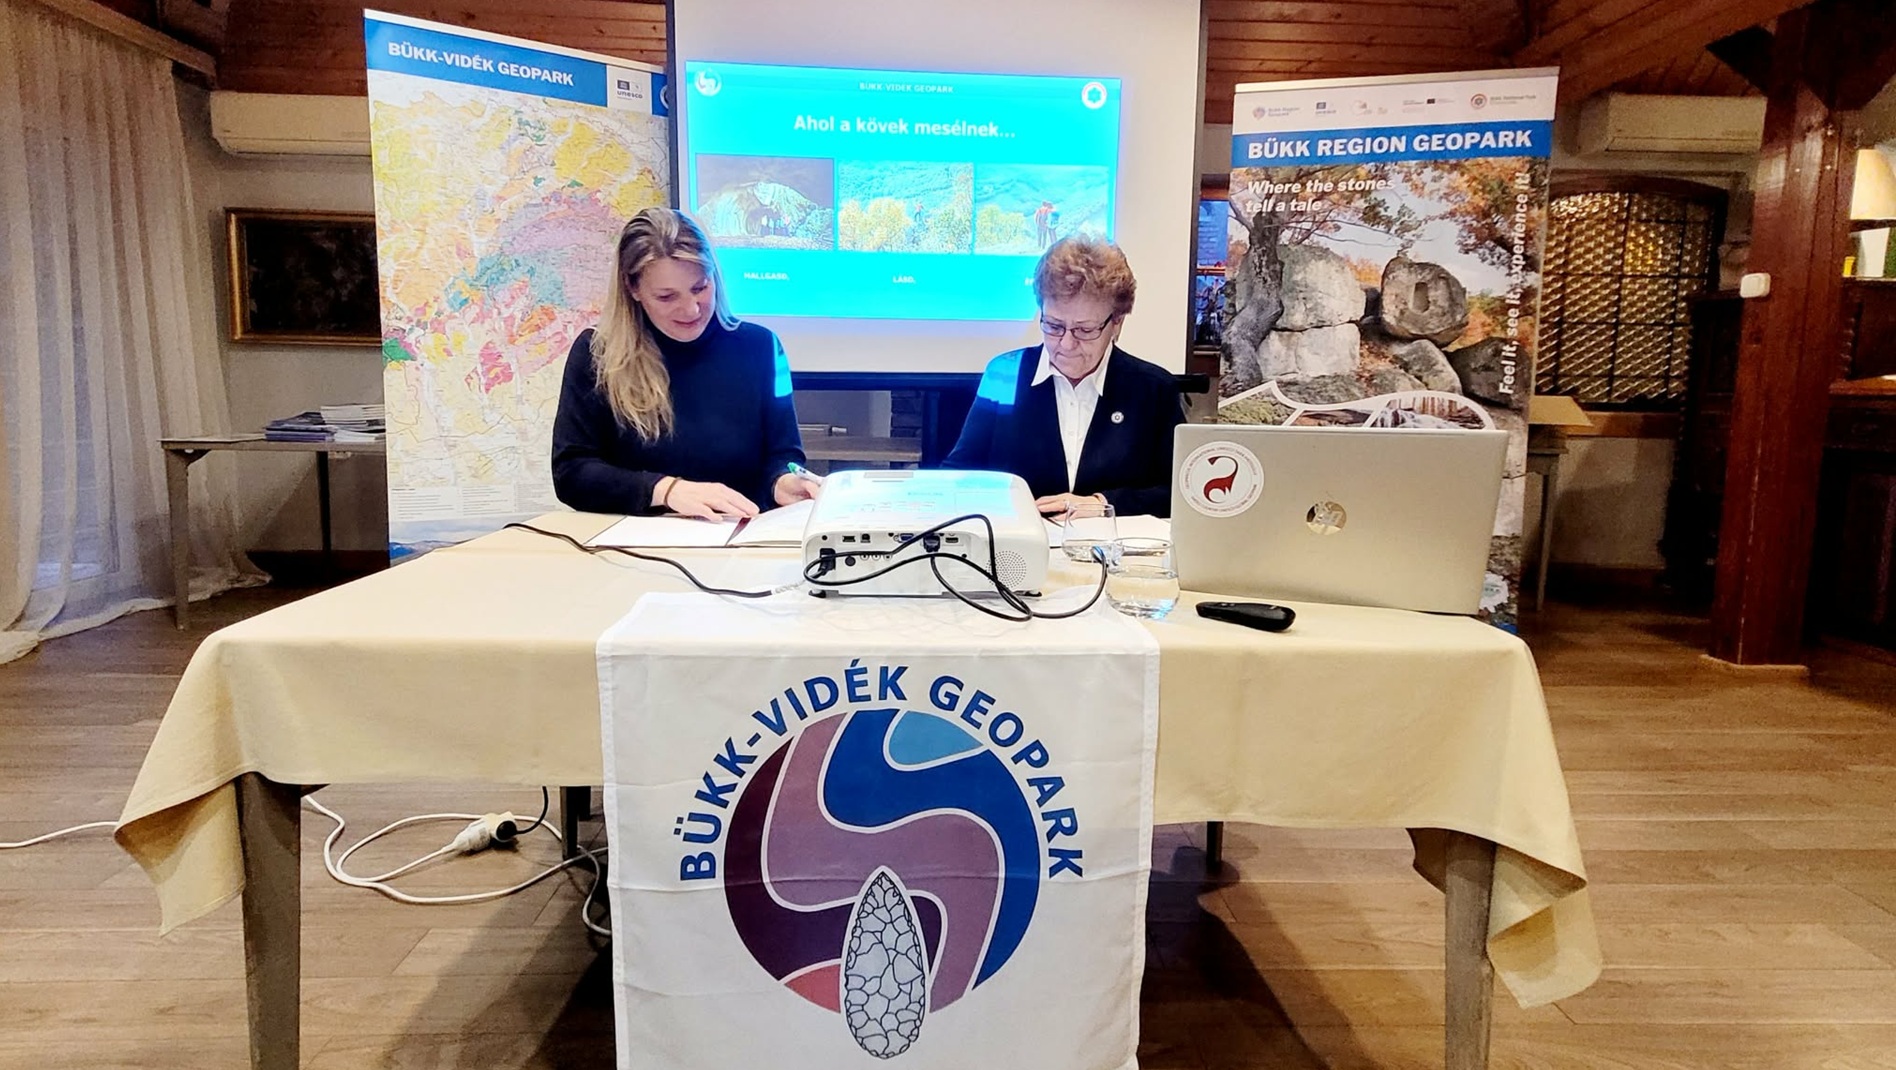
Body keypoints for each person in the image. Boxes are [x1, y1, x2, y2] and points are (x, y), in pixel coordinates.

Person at [552, 207, 818, 519]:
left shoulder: (760, 346)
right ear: (633, 288)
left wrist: (783, 482)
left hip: (740, 533)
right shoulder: (596, 353)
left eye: (700, 287)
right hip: (638, 538)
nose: (691, 310)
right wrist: (666, 490)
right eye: (667, 297)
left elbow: (782, 456)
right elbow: (571, 472)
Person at [942, 236, 1185, 517]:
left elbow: (1178, 492)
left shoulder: (1153, 389)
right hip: (1023, 539)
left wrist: (1103, 503)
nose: (1067, 344)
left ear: (1117, 322)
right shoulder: (1005, 374)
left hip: (1115, 542)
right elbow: (959, 475)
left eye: (1085, 330)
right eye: (1054, 326)